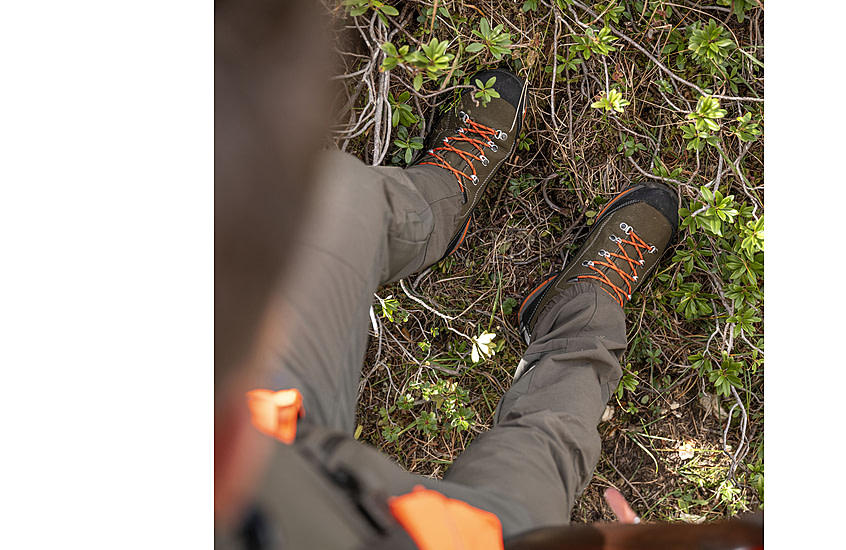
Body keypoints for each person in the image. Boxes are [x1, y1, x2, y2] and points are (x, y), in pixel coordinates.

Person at [215, 2, 759, 549]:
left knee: (333, 202)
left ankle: (433, 207)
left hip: (264, 435)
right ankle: (581, 313)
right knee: (553, 439)